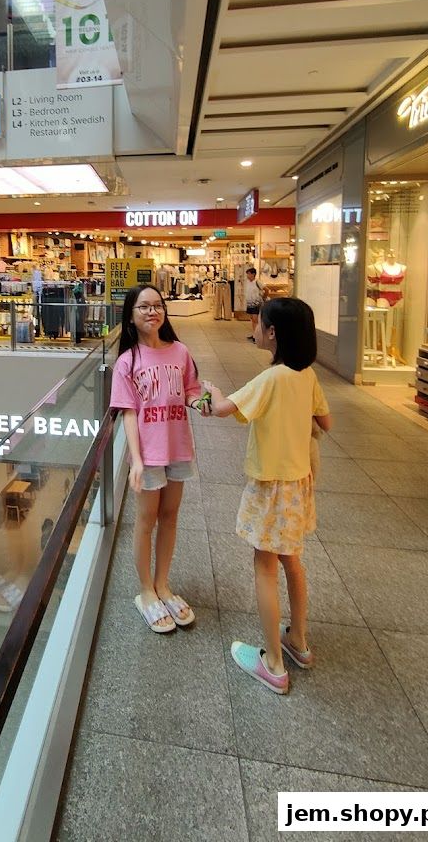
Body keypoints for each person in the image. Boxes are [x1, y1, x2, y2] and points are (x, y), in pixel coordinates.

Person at [204, 297, 332, 695]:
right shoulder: (307, 375)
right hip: (298, 483)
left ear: (272, 332)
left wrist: (211, 390)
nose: (255, 328)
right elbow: (325, 422)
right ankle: (299, 641)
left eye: (258, 323)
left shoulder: (271, 378)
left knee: (264, 566)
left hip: (271, 486)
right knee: (291, 559)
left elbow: (222, 409)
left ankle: (273, 664)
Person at [110, 285, 210, 633]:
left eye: (157, 305)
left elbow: (191, 390)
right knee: (146, 520)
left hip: (178, 446)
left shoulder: (180, 351)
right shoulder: (127, 361)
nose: (152, 312)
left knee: (170, 517)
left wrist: (200, 403)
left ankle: (163, 584)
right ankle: (146, 591)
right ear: (131, 315)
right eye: (144, 307)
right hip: (149, 453)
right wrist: (136, 460)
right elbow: (128, 414)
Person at [244, 267, 263, 341]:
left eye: (249, 274)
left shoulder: (257, 282)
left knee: (255, 320)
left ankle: (257, 336)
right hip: (250, 303)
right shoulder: (248, 282)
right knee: (252, 319)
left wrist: (262, 298)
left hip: (256, 303)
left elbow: (266, 290)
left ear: (253, 274)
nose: (247, 275)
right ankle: (254, 334)